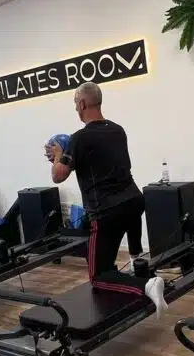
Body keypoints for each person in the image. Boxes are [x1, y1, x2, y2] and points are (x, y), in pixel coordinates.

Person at [46, 82, 167, 318]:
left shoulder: (79, 139)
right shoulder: (118, 130)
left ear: (82, 103)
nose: (75, 108)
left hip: (107, 211)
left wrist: (58, 156)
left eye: (75, 103)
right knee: (109, 260)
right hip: (134, 202)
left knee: (98, 276)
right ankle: (136, 264)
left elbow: (58, 176)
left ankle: (148, 285)